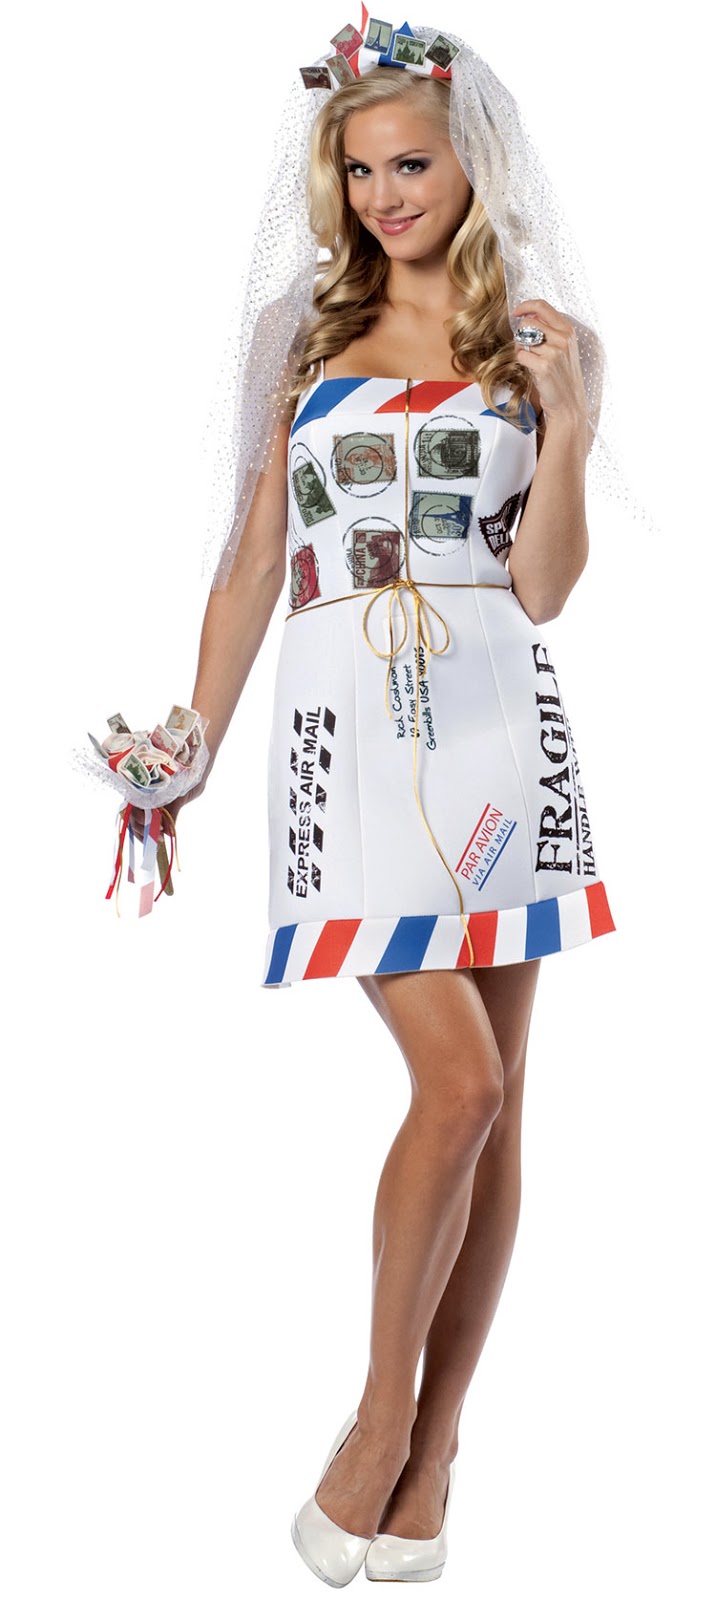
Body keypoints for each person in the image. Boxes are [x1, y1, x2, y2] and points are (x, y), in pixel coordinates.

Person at [131, 24, 618, 1588]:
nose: (386, 193)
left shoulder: (538, 336)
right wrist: (190, 751)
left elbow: (543, 589)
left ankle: (438, 1449)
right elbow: (251, 565)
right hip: (350, 737)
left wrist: (569, 425)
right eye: (359, 169)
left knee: (503, 1101)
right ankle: (378, 1420)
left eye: (412, 161)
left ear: (474, 156)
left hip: (502, 733)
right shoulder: (302, 333)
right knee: (456, 1087)